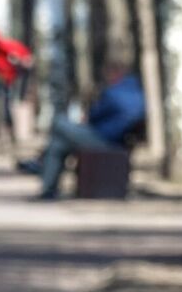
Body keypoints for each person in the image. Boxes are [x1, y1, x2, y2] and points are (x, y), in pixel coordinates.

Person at [20, 63, 146, 199]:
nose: (107, 78)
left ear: (116, 73)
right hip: (116, 141)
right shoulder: (135, 91)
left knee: (59, 123)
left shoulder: (115, 92)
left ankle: (42, 168)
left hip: (106, 142)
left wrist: (89, 114)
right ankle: (47, 186)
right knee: (58, 143)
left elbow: (93, 117)